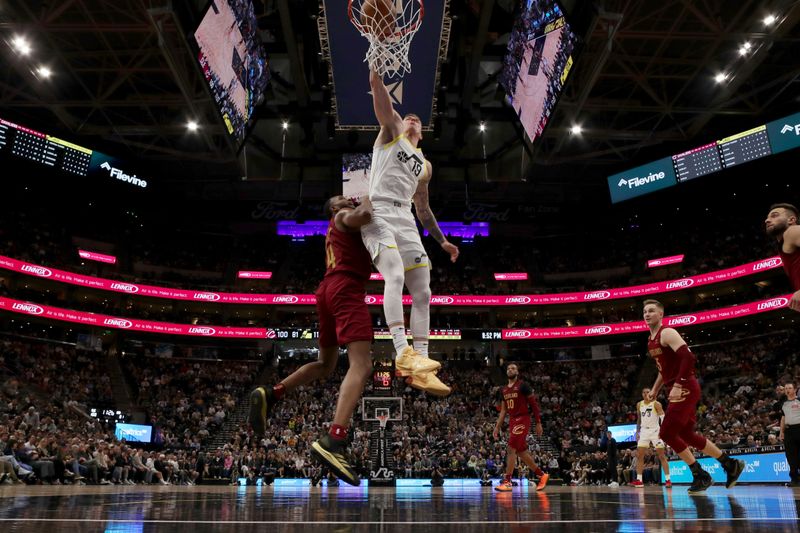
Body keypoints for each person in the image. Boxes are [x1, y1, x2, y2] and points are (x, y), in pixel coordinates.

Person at [249, 195, 376, 486]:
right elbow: (366, 216)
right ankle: (334, 438)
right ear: (333, 207)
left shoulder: (335, 228)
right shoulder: (343, 216)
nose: (347, 198)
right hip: (346, 286)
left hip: (327, 289)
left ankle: (273, 392)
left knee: (325, 364)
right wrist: (368, 197)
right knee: (362, 364)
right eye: (341, 198)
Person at [362, 69, 461, 396]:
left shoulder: (425, 166)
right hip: (379, 211)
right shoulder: (391, 133)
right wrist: (376, 73)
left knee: (423, 292)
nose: (413, 118)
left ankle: (421, 362)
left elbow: (423, 208)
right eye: (409, 116)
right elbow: (383, 103)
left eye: (418, 119)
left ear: (423, 132)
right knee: (394, 276)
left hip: (405, 218)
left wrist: (442, 239)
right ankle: (402, 351)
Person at [643, 299, 744, 494]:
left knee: (666, 433)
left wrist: (679, 384)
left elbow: (689, 357)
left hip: (685, 387)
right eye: (645, 311)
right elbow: (664, 369)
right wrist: (656, 388)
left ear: (661, 314)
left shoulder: (667, 332)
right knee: (686, 435)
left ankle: (700, 475)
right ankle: (730, 464)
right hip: (676, 386)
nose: (647, 314)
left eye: (652, 311)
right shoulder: (650, 340)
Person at [493, 363, 549, 491]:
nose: (510, 370)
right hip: (513, 420)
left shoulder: (523, 385)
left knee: (511, 448)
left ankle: (507, 481)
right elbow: (503, 411)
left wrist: (538, 422)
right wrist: (497, 427)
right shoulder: (503, 390)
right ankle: (542, 475)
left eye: (513, 368)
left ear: (517, 372)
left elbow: (534, 405)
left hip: (523, 418)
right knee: (520, 452)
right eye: (508, 368)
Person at [631, 387, 672, 488]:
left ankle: (668, 480)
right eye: (644, 392)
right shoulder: (639, 404)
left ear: (651, 393)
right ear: (642, 394)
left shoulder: (656, 404)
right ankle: (639, 480)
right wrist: (637, 431)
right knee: (640, 456)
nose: (646, 394)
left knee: (661, 456)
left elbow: (663, 418)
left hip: (655, 431)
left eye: (648, 392)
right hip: (644, 431)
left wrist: (663, 431)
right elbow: (639, 419)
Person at [764, 203, 800, 311]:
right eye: (767, 218)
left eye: (774, 215)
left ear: (791, 220)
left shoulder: (792, 231)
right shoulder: (785, 243)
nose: (767, 220)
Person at [779, 383, 800, 486]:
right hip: (789, 431)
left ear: (794, 390)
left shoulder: (799, 401)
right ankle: (794, 479)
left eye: (790, 388)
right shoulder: (783, 403)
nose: (787, 390)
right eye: (786, 388)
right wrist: (781, 432)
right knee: (790, 456)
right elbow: (783, 418)